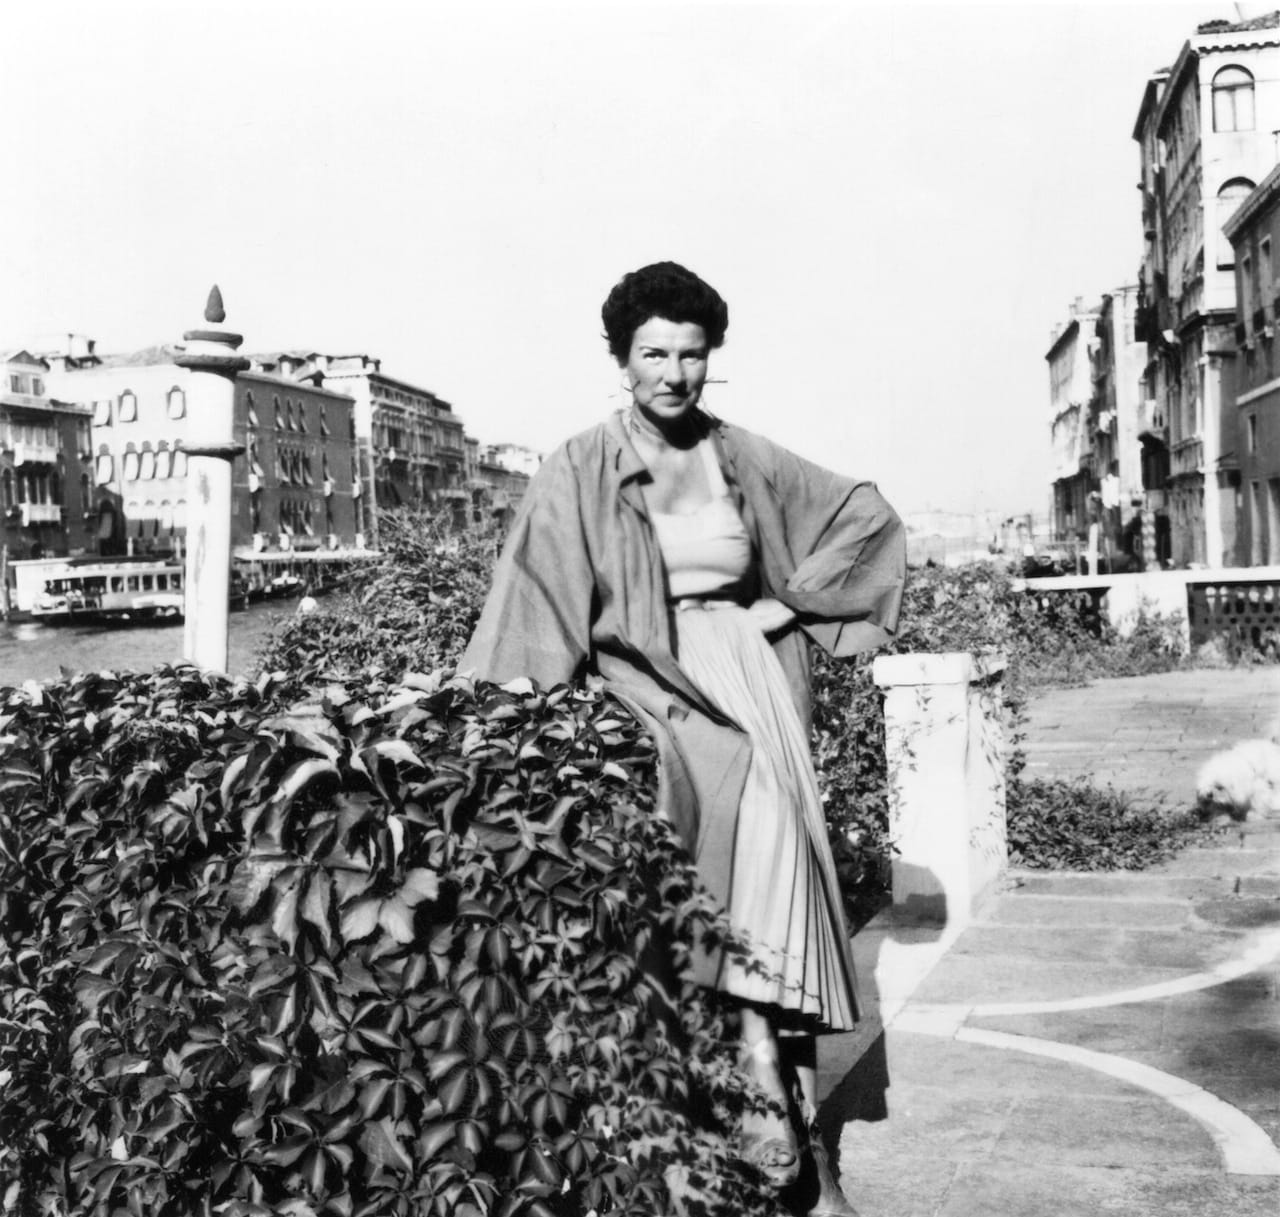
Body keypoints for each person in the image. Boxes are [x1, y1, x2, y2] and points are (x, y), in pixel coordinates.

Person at [461, 261, 906, 1215]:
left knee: (779, 864)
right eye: (654, 353)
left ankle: (793, 1133)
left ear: (712, 358)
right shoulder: (581, 466)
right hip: (648, 690)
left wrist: (784, 610)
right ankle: (763, 1107)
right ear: (622, 360)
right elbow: (532, 608)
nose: (673, 373)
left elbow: (863, 518)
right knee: (712, 866)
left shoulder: (739, 456)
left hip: (754, 686)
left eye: (692, 354)